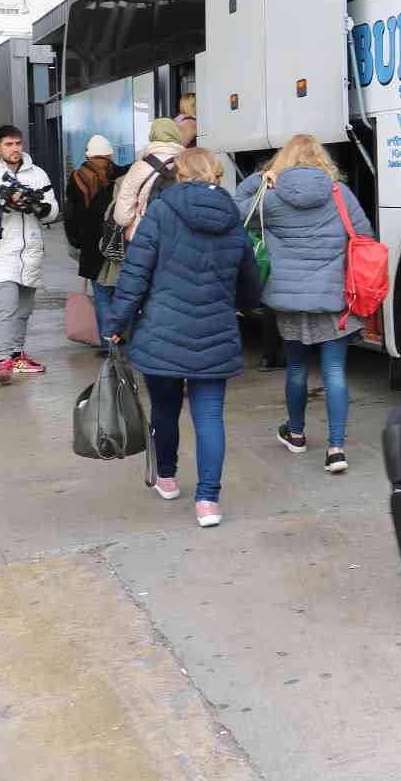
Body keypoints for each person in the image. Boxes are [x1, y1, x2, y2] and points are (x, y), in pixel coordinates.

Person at [104, 148, 262, 528]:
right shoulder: (232, 218)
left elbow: (135, 274)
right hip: (215, 330)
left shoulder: (160, 212)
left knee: (164, 408)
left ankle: (168, 478)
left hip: (163, 330)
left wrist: (117, 322)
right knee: (209, 416)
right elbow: (250, 281)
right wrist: (242, 305)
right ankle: (208, 501)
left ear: (179, 175)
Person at [234, 134, 372, 474]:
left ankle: (296, 434)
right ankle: (336, 449)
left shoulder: (272, 197)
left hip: (289, 300)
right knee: (335, 370)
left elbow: (236, 210)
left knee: (296, 369)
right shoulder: (340, 194)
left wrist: (259, 177)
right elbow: (364, 234)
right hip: (334, 298)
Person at [0, 125, 56, 385]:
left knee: (25, 308)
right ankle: (4, 359)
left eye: (18, 143)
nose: (15, 148)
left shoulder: (37, 174)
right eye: (8, 144)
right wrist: (3, 206)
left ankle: (17, 355)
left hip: (31, 251)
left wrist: (41, 209)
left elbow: (53, 210)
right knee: (7, 306)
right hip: (0, 252)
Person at [64, 135, 124, 356]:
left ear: (88, 155)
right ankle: (120, 335)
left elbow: (71, 214)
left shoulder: (78, 177)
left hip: (91, 244)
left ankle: (108, 345)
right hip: (118, 240)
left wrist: (75, 241)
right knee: (120, 291)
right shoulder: (121, 174)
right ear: (109, 154)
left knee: (101, 294)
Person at [113, 117, 184, 242]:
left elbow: (122, 217)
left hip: (145, 237)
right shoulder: (190, 165)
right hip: (181, 240)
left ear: (152, 136)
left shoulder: (139, 167)